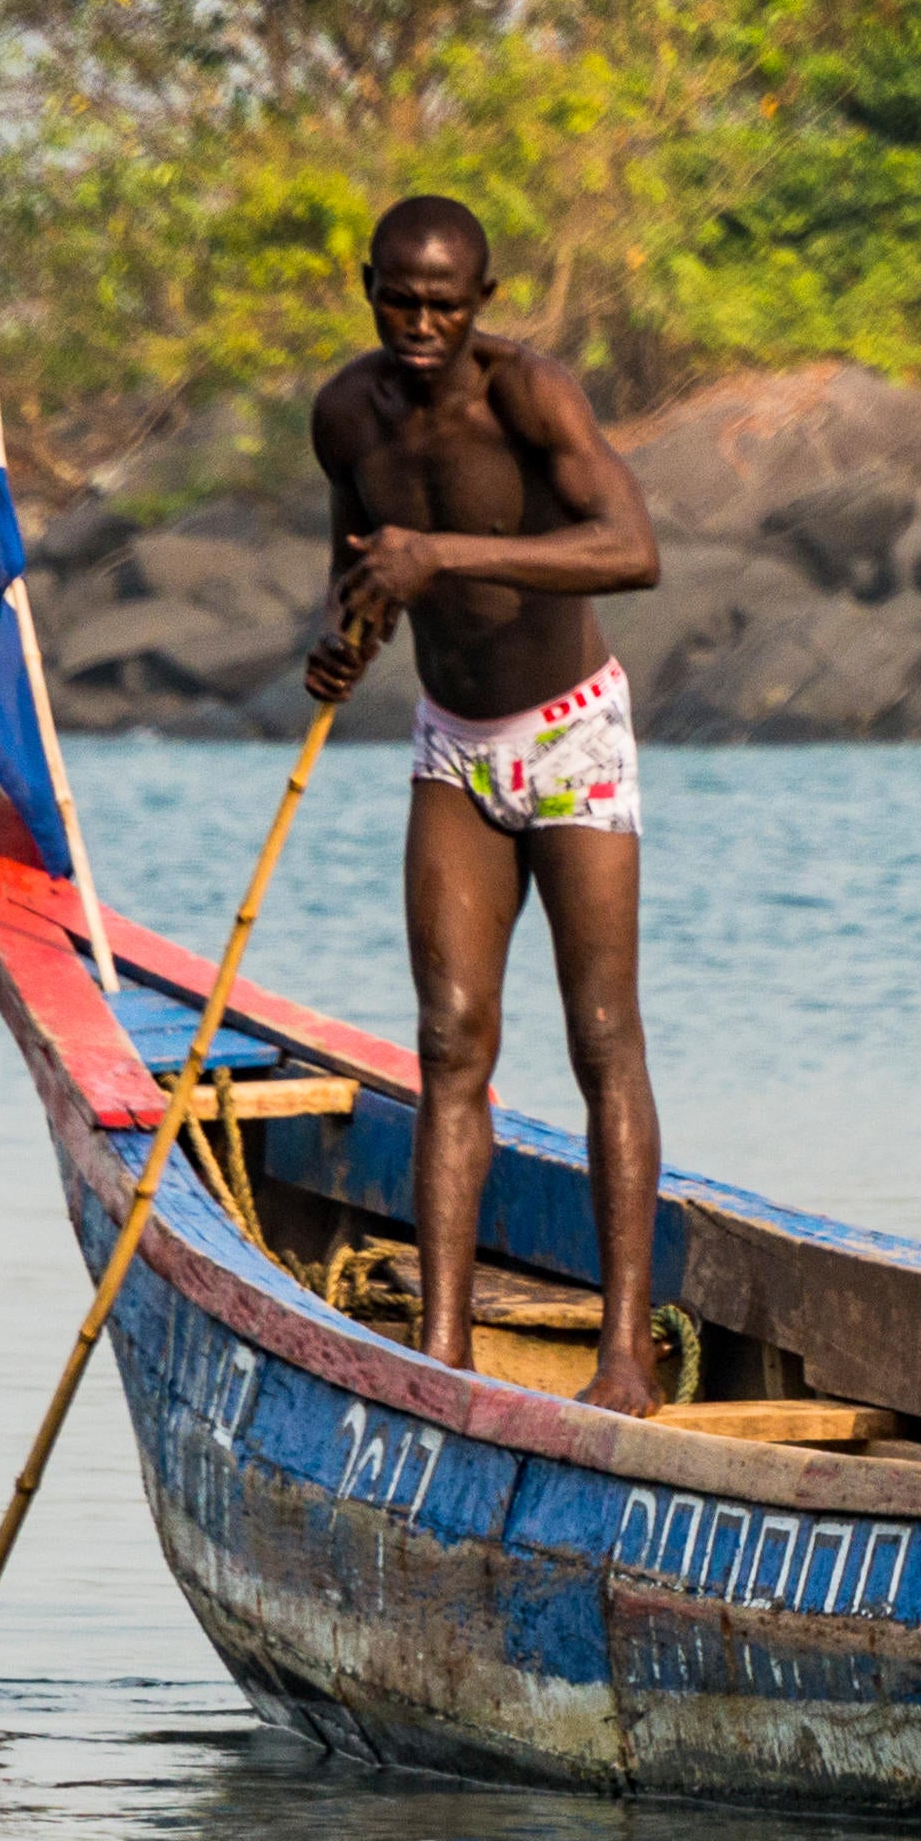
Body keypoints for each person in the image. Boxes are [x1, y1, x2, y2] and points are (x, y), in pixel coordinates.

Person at [299, 195, 665, 1415]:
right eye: (398, 299)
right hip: (452, 747)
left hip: (572, 740)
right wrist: (345, 641)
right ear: (368, 287)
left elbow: (630, 549)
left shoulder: (532, 396)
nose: (418, 323)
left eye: (443, 304)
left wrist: (440, 556)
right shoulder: (345, 414)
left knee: (601, 1034)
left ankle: (626, 1357)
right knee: (451, 1039)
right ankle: (442, 1352)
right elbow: (360, 577)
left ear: (483, 304)